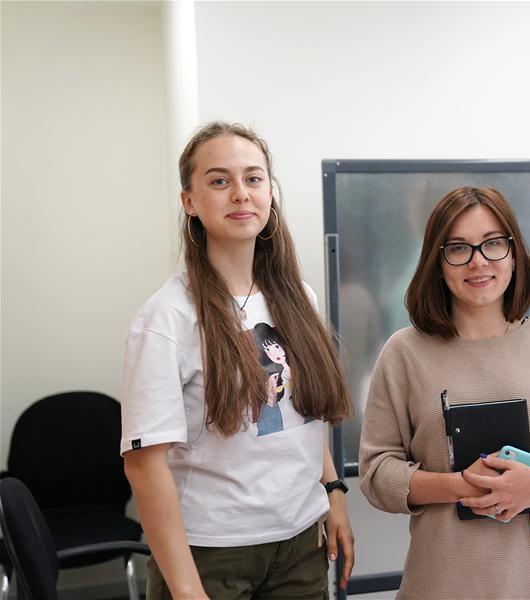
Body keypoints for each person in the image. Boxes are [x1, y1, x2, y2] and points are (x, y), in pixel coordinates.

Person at [120, 122, 355, 600]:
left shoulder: (297, 297)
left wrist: (333, 493)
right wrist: (187, 590)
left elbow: (302, 413)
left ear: (269, 191)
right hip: (213, 554)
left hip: (301, 542)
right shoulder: (167, 316)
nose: (241, 194)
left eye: (253, 178)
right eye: (219, 180)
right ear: (189, 201)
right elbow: (144, 465)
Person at [358, 186, 530, 599]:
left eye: (493, 243)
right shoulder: (403, 353)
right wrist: (461, 485)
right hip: (443, 586)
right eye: (458, 248)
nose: (478, 261)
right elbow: (376, 474)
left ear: (514, 253)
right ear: (437, 263)